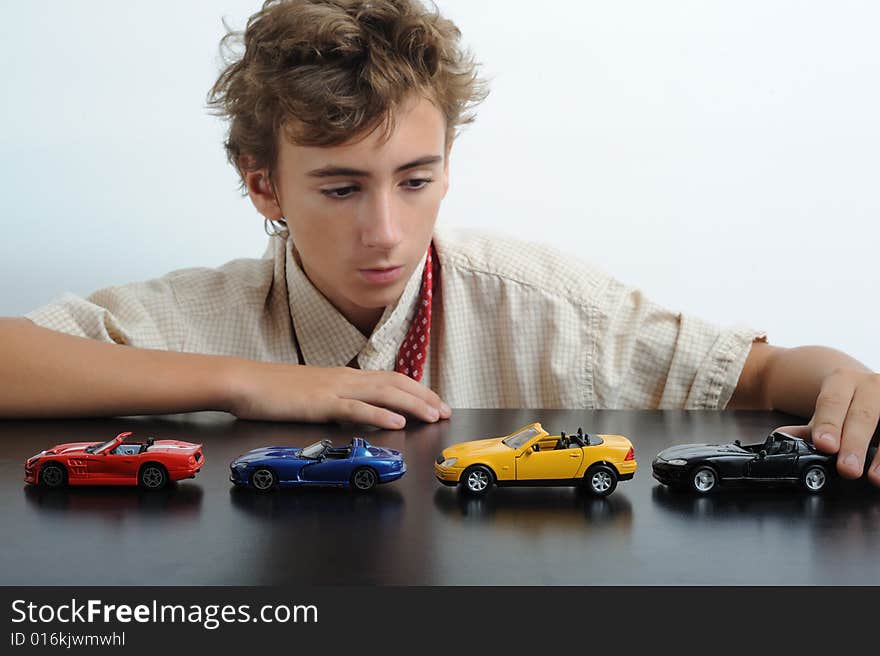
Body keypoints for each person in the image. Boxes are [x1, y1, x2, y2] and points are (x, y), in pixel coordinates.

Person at [1, 0, 878, 487]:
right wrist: (252, 384)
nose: (385, 230)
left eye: (416, 180)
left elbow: (761, 375)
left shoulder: (537, 302)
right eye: (341, 187)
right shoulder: (203, 312)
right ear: (261, 180)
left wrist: (851, 382)